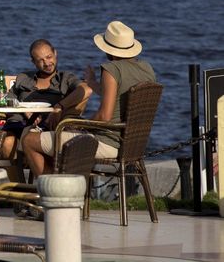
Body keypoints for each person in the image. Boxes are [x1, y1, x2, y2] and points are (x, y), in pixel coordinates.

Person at [22, 20, 156, 177]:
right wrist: (93, 83)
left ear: (109, 49)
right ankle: (64, 189)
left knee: (29, 140)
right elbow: (120, 95)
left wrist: (82, 127)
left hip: (107, 143)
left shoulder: (111, 69)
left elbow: (104, 117)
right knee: (60, 134)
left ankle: (55, 194)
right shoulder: (147, 68)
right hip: (133, 145)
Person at [0, 39, 90, 164]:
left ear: (55, 53)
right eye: (40, 60)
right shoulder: (23, 78)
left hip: (48, 127)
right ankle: (18, 182)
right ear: (33, 62)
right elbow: (8, 99)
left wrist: (59, 106)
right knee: (7, 143)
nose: (47, 63)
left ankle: (45, 179)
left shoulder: (66, 78)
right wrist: (24, 110)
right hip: (20, 124)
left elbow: (86, 89)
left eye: (49, 57)